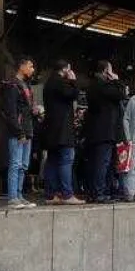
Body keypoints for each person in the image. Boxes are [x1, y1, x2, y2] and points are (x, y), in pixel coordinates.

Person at [82, 60, 127, 202]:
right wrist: (117, 80)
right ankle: (99, 192)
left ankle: (101, 191)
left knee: (100, 162)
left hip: (98, 131)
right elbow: (121, 94)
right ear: (106, 71)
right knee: (103, 162)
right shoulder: (102, 85)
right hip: (104, 131)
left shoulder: (93, 85)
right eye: (110, 70)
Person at [40, 60, 83, 205]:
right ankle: (67, 194)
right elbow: (74, 94)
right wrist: (73, 81)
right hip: (63, 130)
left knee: (52, 160)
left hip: (51, 129)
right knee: (67, 159)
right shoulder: (61, 82)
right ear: (65, 69)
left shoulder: (49, 83)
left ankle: (51, 194)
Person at [0, 56, 38, 209]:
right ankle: (12, 197)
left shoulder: (26, 85)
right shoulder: (12, 85)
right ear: (21, 66)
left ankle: (20, 195)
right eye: (30, 66)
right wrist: (19, 132)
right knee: (15, 164)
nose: (32, 69)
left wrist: (35, 112)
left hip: (28, 130)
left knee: (23, 165)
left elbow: (24, 109)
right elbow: (11, 112)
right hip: (18, 132)